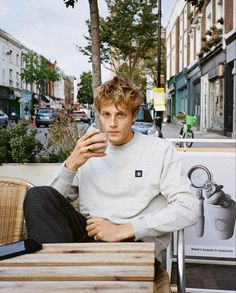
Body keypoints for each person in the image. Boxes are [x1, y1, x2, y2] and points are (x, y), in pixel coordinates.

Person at [24, 76, 197, 264]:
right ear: (99, 115)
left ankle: (60, 272)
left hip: (136, 242)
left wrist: (123, 230)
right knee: (38, 195)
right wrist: (71, 165)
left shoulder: (160, 149)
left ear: (133, 115)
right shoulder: (88, 150)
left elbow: (188, 209)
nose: (112, 123)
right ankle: (56, 272)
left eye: (120, 115)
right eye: (106, 115)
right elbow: (51, 206)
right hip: (92, 237)